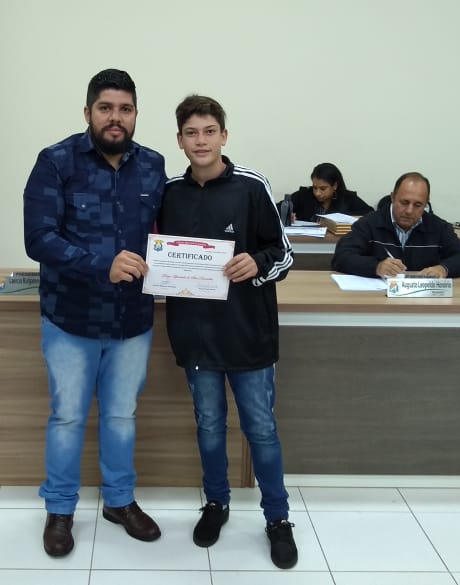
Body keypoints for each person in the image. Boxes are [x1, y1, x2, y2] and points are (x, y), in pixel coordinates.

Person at [22, 69, 166, 558]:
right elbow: (38, 238)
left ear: (135, 114)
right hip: (72, 319)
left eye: (125, 109)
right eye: (106, 108)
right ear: (88, 112)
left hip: (132, 320)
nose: (115, 118)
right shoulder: (55, 161)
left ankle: (119, 501)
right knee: (67, 418)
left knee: (122, 416)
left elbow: (166, 234)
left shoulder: (153, 165)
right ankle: (60, 509)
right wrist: (101, 264)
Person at [158, 94, 298, 570]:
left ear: (224, 135)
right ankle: (216, 503)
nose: (201, 141)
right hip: (195, 337)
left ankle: (278, 518)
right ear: (180, 141)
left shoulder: (251, 186)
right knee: (209, 427)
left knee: (261, 429)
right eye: (191, 133)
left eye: (209, 131)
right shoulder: (169, 192)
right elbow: (158, 251)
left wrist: (255, 262)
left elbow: (283, 255)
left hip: (247, 335)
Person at [332, 171, 460, 278]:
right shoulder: (369, 223)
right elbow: (341, 257)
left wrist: (444, 269)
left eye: (418, 205)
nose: (409, 211)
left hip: (423, 300)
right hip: (379, 299)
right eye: (404, 202)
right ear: (393, 197)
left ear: (426, 204)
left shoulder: (438, 227)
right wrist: (376, 267)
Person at [283, 162, 373, 222]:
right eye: (315, 188)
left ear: (335, 186)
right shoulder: (304, 195)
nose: (317, 193)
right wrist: (287, 216)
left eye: (323, 189)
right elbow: (278, 209)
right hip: (305, 242)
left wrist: (345, 218)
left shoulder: (348, 198)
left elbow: (370, 214)